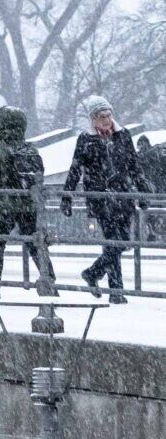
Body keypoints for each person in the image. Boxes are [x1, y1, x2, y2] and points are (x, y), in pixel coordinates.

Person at [62, 97, 149, 304]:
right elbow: (75, 169)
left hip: (123, 196)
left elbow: (134, 164)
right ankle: (116, 291)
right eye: (102, 116)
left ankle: (95, 274)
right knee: (114, 241)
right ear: (93, 119)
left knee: (120, 242)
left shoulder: (123, 135)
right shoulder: (86, 139)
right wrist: (67, 196)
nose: (107, 120)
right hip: (101, 199)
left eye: (109, 115)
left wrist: (142, 188)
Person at [0, 106, 52, 302]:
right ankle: (50, 281)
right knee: (36, 244)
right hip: (29, 206)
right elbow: (39, 178)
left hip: (5, 206)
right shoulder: (31, 150)